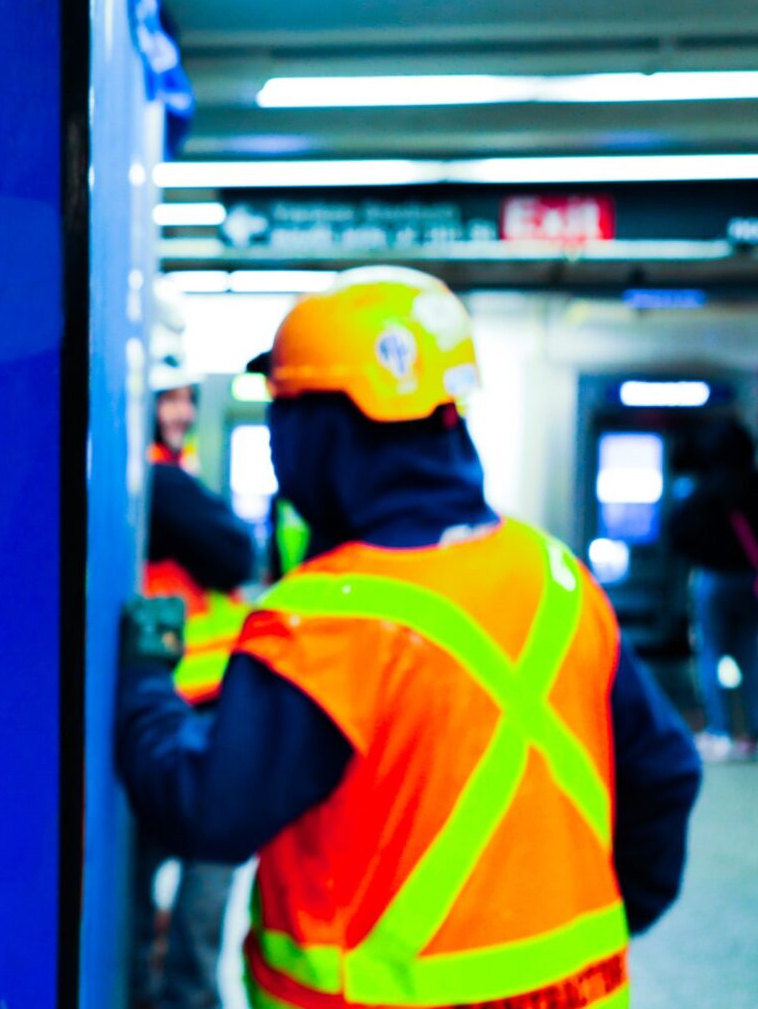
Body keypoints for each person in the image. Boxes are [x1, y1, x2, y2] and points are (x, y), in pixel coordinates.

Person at [115, 267, 701, 1009]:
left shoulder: (326, 620)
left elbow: (204, 809)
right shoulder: (556, 577)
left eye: (282, 411)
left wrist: (142, 681)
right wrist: (601, 929)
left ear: (318, 435)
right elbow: (669, 774)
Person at [130, 289, 258, 1009]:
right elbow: (236, 552)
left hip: (179, 700)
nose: (181, 413)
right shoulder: (158, 480)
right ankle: (182, 999)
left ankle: (161, 991)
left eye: (184, 399)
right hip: (186, 706)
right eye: (168, 399)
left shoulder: (146, 478)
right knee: (203, 878)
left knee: (154, 877)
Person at [668, 418, 758, 761]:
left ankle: (720, 732)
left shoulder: (705, 491)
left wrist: (703, 553)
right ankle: (752, 732)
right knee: (751, 655)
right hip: (751, 580)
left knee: (711, 654)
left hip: (714, 579)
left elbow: (676, 533)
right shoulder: (754, 486)